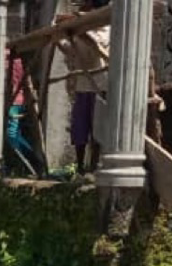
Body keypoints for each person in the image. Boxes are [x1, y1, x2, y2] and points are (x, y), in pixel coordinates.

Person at [57, 0, 111, 174]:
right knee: (79, 129)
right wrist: (59, 37)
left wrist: (80, 30)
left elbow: (97, 45)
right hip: (83, 86)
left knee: (96, 130)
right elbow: (70, 50)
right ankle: (80, 167)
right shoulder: (80, 32)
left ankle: (93, 167)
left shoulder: (107, 29)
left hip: (99, 86)